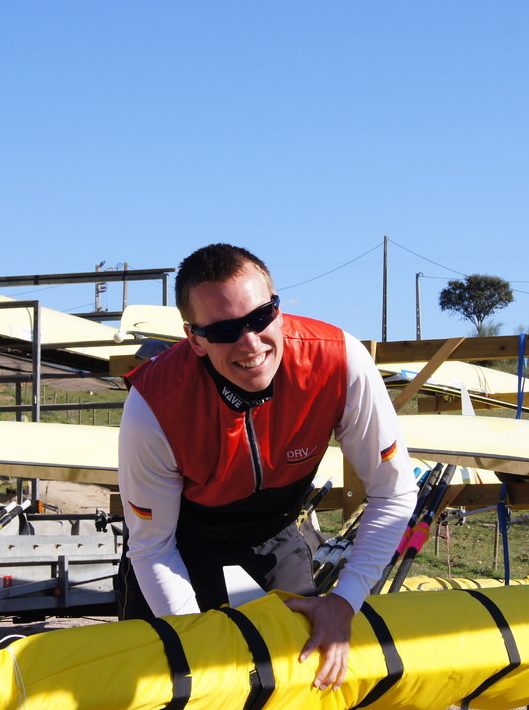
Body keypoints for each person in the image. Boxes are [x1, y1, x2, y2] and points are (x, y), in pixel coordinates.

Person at [116, 243, 418, 691]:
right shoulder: (153, 405)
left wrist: (345, 601)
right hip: (180, 543)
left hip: (273, 532)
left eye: (260, 317)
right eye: (224, 331)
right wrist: (195, 645)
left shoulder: (341, 360)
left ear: (278, 307)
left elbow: (393, 492)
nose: (251, 343)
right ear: (194, 339)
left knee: (302, 682)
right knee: (170, 687)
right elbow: (152, 547)